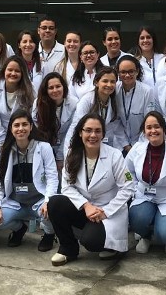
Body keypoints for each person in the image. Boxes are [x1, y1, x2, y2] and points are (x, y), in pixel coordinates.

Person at [48, 114, 135, 266]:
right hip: (86, 208)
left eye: (97, 131)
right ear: (80, 132)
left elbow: (128, 188)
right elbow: (67, 187)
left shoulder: (114, 155)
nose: (93, 135)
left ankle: (113, 247)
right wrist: (86, 206)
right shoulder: (72, 154)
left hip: (108, 211)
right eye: (88, 130)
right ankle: (68, 248)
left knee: (91, 242)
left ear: (103, 134)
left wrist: (105, 211)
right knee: (55, 202)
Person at [0, 110, 58, 251]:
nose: (21, 129)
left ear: (31, 127)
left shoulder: (43, 147)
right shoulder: (6, 151)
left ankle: (49, 235)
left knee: (52, 210)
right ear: (11, 129)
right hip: (16, 203)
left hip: (38, 201)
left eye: (25, 124)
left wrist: (48, 200)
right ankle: (19, 228)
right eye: (16, 125)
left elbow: (52, 177)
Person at [126, 111, 166, 254]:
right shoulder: (137, 149)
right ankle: (146, 236)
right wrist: (135, 189)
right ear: (144, 131)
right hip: (143, 196)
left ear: (163, 129)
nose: (153, 130)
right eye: (149, 127)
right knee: (137, 218)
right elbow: (127, 172)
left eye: (157, 126)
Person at [65, 67, 126, 154]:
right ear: (96, 82)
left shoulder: (112, 101)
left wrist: (126, 145)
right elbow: (77, 126)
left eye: (112, 82)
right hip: (83, 145)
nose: (109, 85)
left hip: (103, 144)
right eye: (105, 81)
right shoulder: (86, 101)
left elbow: (116, 126)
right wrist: (72, 151)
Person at [32, 72, 78, 174]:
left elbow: (71, 133)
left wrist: (60, 157)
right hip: (45, 144)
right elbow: (37, 131)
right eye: (51, 88)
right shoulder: (38, 103)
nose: (55, 90)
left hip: (66, 145)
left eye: (58, 86)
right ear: (46, 90)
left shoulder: (74, 103)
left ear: (64, 87)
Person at [0, 56, 35, 143]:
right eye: (10, 70)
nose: (13, 73)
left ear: (22, 73)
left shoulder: (30, 88)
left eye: (17, 71)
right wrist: (1, 140)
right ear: (4, 70)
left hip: (23, 134)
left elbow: (32, 114)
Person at [115, 55, 159, 151]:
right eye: (123, 72)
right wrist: (126, 145)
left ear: (137, 71)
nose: (127, 75)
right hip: (119, 144)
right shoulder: (114, 90)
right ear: (118, 73)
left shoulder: (147, 91)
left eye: (131, 71)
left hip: (142, 143)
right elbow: (115, 121)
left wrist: (137, 147)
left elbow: (148, 122)